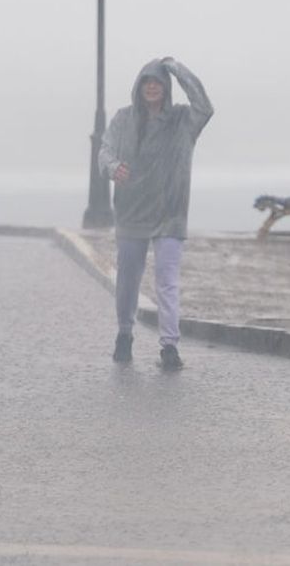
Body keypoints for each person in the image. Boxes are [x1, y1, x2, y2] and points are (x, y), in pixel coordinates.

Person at [98, 57, 213, 370]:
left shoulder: (183, 120)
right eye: (147, 81)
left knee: (167, 281)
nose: (152, 86)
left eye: (158, 82)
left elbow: (205, 105)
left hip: (169, 213)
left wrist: (175, 68)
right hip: (132, 212)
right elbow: (105, 150)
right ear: (139, 87)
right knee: (128, 280)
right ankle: (124, 334)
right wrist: (112, 167)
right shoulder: (123, 120)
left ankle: (169, 346)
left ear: (166, 88)